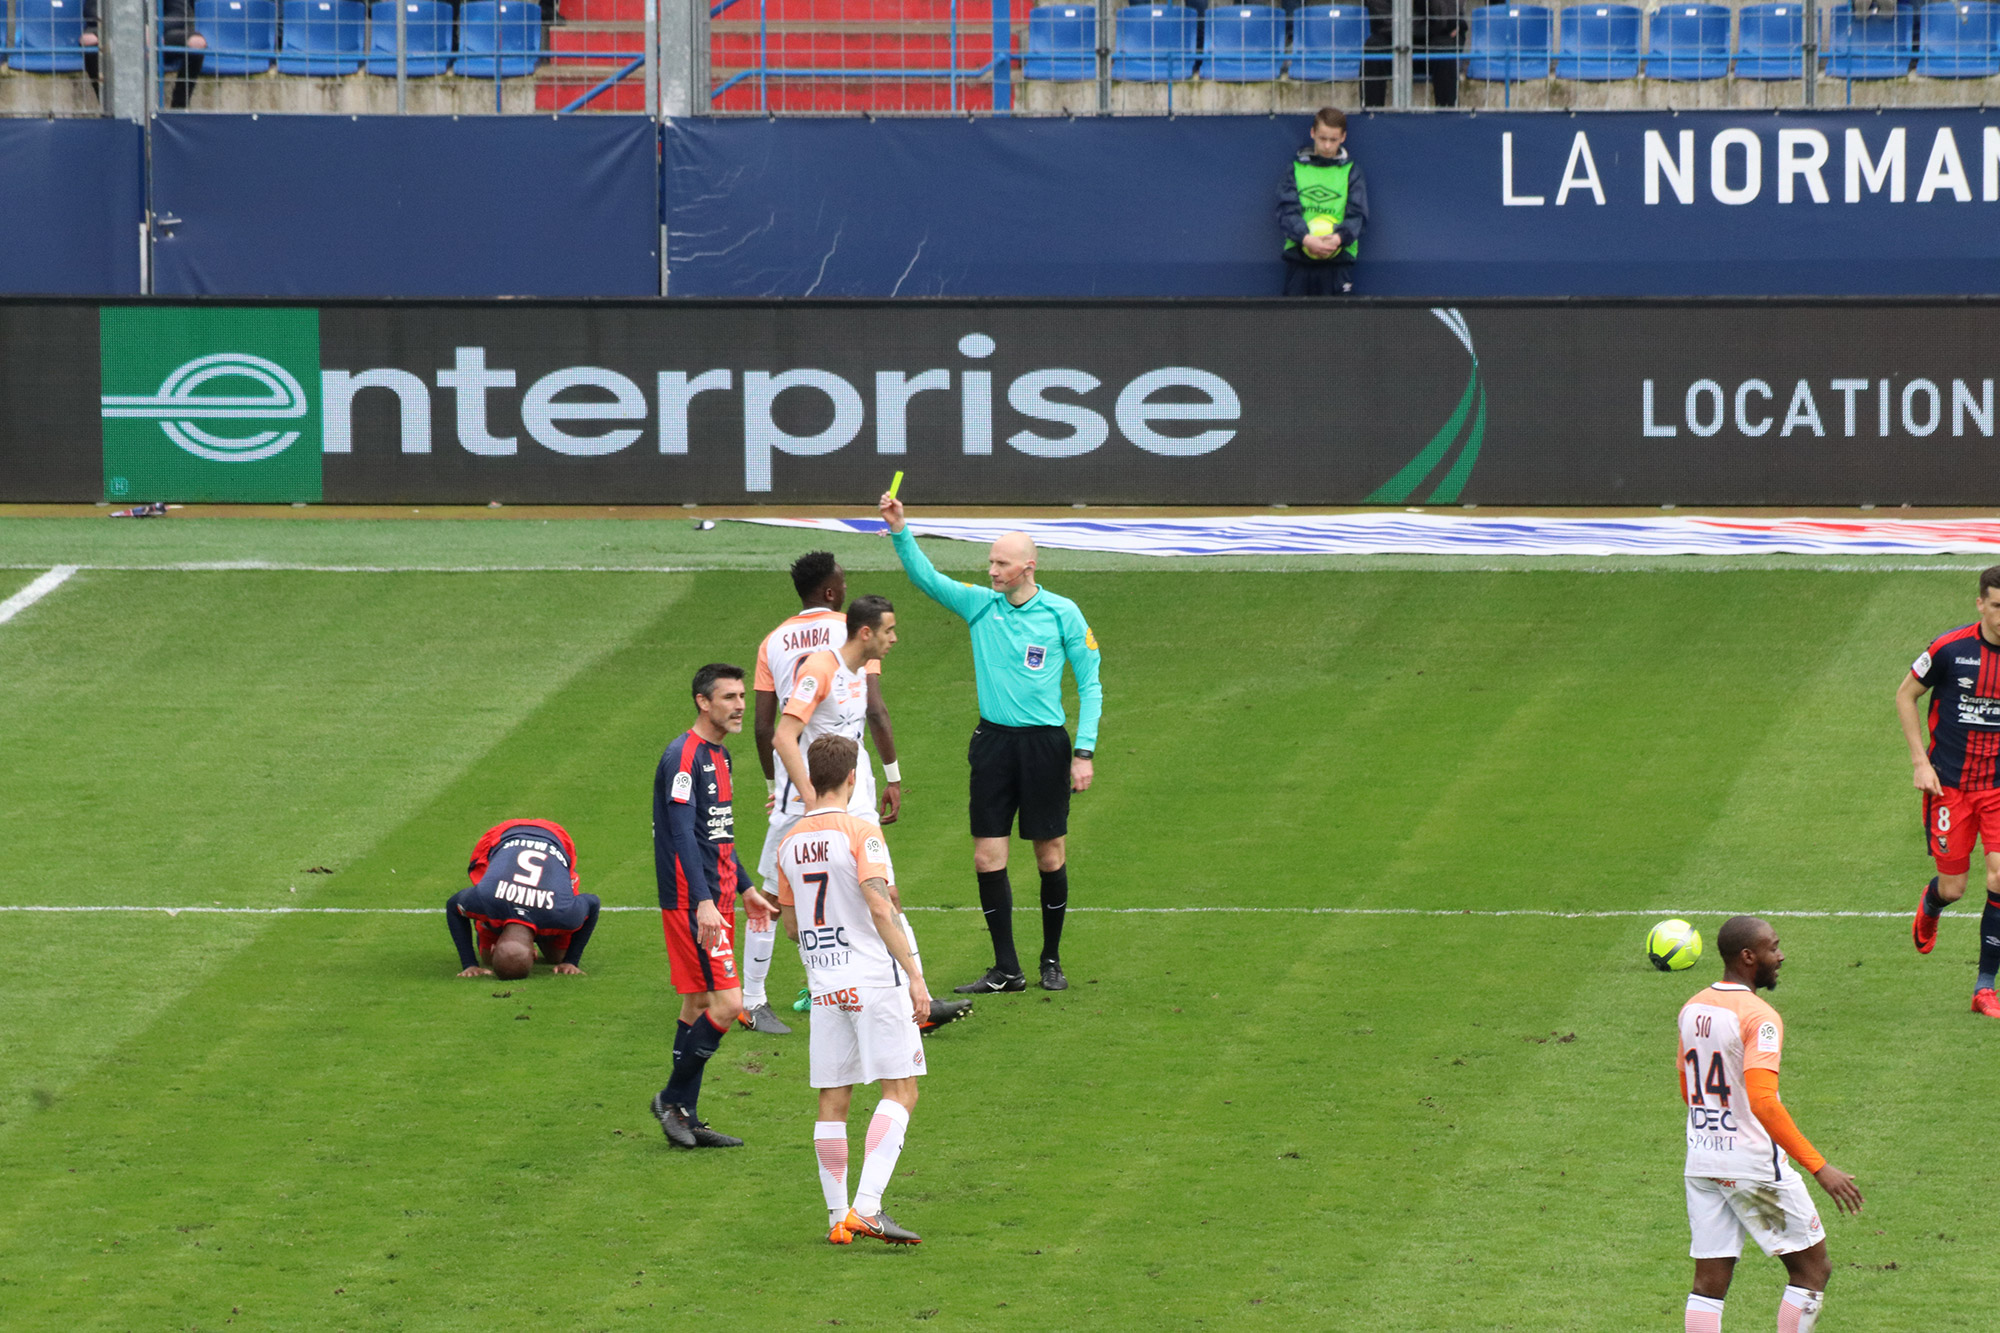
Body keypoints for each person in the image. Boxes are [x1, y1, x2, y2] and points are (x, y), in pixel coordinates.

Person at [878, 492, 1103, 995]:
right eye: (990, 562)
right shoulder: (982, 606)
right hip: (993, 745)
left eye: (1001, 563)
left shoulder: (1063, 613)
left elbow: (1090, 683)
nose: (992, 571)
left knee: (1049, 853)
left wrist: (1083, 751)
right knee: (986, 857)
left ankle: (1051, 959)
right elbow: (927, 580)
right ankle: (1007, 969)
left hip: (1045, 746)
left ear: (1029, 567)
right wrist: (900, 529)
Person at [774, 594, 973, 1033]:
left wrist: (887, 778)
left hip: (857, 797)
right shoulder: (819, 670)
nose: (894, 639)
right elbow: (784, 736)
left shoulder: (860, 669)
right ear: (866, 632)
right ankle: (847, 991)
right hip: (832, 806)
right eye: (889, 631)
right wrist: (810, 798)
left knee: (887, 895)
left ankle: (910, 997)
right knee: (834, 902)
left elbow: (870, 721)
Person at [777, 735, 931, 1246]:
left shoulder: (787, 841)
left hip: (825, 985)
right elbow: (881, 906)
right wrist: (915, 974)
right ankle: (866, 1208)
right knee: (901, 1089)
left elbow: (793, 926)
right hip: (873, 979)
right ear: (851, 779)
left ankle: (835, 1218)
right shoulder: (860, 831)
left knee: (833, 1099)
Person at [1677, 916, 1863, 1333]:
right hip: (1753, 1166)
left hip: (1703, 1158)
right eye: (1773, 948)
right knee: (1813, 1269)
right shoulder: (1759, 1017)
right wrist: (1820, 1167)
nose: (1780, 956)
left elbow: (1685, 1083)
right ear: (1748, 957)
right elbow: (1763, 1101)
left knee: (1709, 1283)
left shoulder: (1693, 1007)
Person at [744, 550, 903, 1035]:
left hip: (800, 786)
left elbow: (764, 725)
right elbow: (873, 709)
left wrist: (777, 784)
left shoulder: (773, 641)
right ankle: (898, 988)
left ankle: (755, 999)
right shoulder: (853, 632)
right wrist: (893, 773)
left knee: (773, 893)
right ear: (833, 591)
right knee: (880, 885)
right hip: (845, 784)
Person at [648, 663, 777, 1149]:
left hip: (718, 896)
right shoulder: (683, 756)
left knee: (697, 1002)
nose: (741, 705)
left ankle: (688, 1116)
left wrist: (744, 887)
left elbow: (716, 831)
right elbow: (680, 831)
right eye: (729, 697)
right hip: (692, 899)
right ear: (704, 702)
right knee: (729, 1003)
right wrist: (703, 901)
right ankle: (671, 1099)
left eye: (743, 695)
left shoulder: (719, 756)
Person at [1900, 564, 2000, 1016]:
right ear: (1980, 603)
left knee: (1999, 879)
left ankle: (1984, 988)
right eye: (1997, 606)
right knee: (1954, 887)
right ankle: (1931, 904)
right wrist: (1920, 762)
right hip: (1950, 788)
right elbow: (1906, 696)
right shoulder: (1949, 648)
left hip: (1997, 790)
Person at [446, 818, 600, 979]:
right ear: (534, 954)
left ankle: (489, 923)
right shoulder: (563, 914)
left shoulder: (564, 913)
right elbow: (593, 902)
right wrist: (572, 961)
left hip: (546, 838)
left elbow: (453, 905)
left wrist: (570, 960)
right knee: (490, 959)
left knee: (557, 957)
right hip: (506, 845)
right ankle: (491, 923)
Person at [1277, 108, 1370, 299]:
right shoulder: (1296, 167)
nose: (1327, 146)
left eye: (1333, 140)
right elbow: (1286, 210)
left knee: (1338, 325)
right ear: (1312, 133)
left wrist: (1337, 239)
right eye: (1322, 138)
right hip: (1299, 257)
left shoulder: (1351, 170)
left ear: (1343, 137)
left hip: (1338, 260)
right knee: (1293, 325)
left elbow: (1358, 215)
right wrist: (1306, 239)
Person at [82, 0, 207, 110]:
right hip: (118, 30)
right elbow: (92, 11)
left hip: (162, 32)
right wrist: (131, 27)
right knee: (89, 40)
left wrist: (154, 28)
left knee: (197, 43)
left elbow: (179, 13)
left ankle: (178, 109)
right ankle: (111, 108)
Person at [1360, 0, 1461, 108]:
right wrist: (1429, 25)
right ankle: (1371, 115)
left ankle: (1447, 116)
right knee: (1373, 46)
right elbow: (1381, 19)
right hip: (1392, 38)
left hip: (1430, 41)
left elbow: (1448, 16)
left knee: (1445, 47)